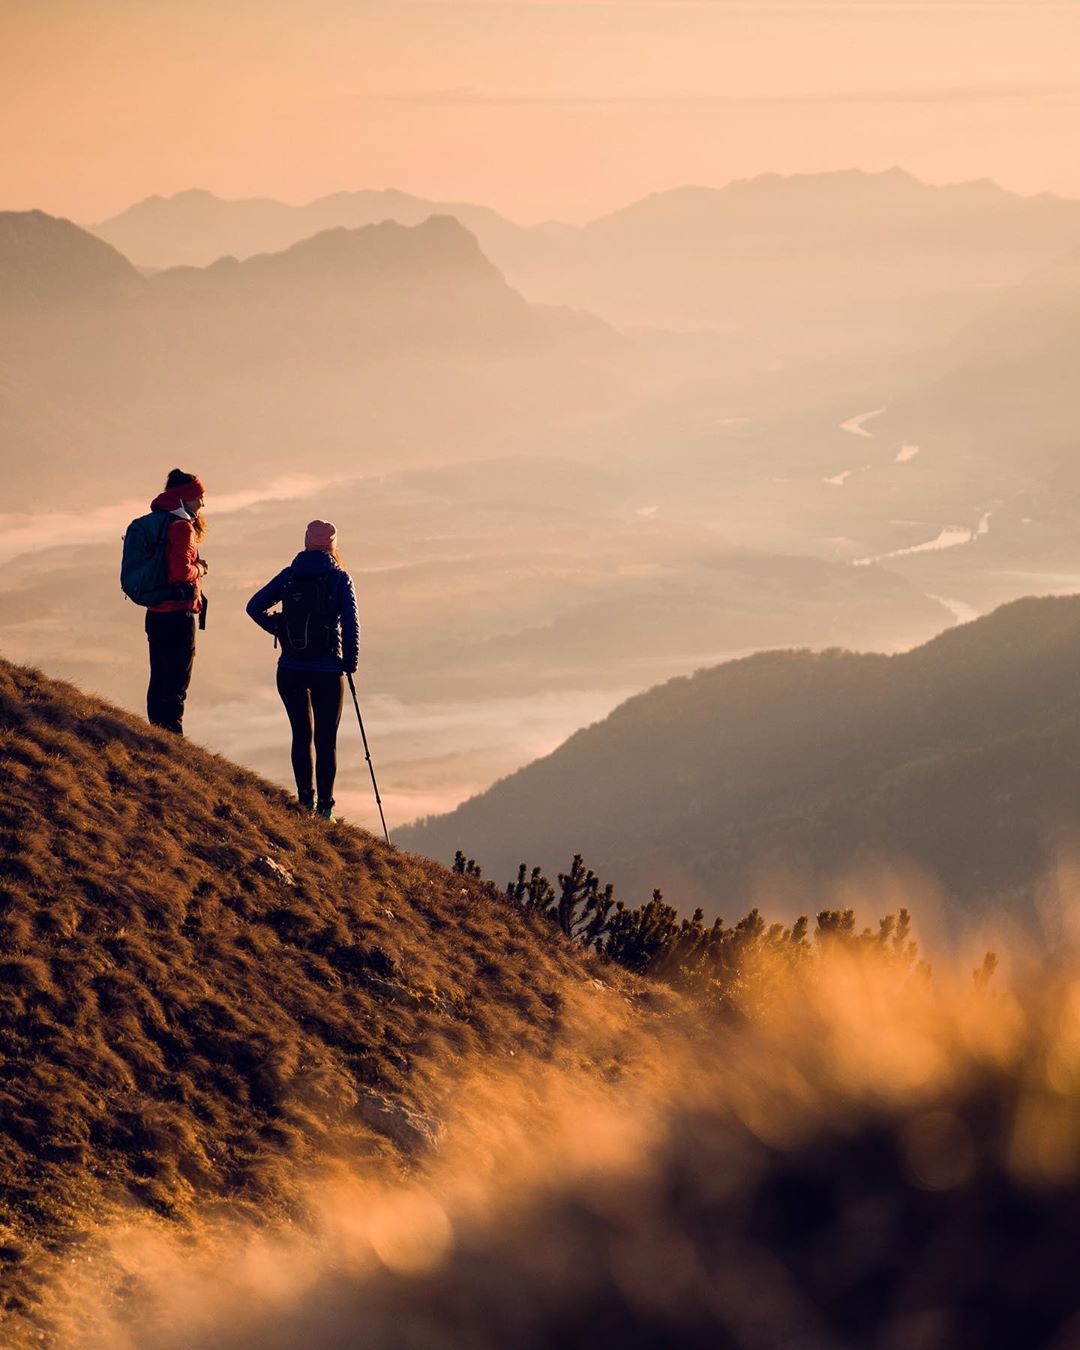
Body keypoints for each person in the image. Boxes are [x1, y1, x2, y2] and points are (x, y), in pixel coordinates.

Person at [246, 520, 359, 820]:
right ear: (333, 546)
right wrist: (350, 663)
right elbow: (350, 626)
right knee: (326, 740)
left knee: (301, 734)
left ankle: (304, 801)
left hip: (290, 668)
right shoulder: (339, 579)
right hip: (327, 670)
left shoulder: (289, 576)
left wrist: (279, 629)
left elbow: (254, 606)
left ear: (307, 543)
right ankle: (326, 808)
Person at [145, 469, 208, 735]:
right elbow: (180, 573)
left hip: (156, 612)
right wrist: (201, 569)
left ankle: (156, 732)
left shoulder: (158, 520)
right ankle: (171, 736)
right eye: (198, 497)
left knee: (159, 676)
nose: (202, 504)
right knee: (177, 682)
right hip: (178, 616)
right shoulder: (182, 526)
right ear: (185, 497)